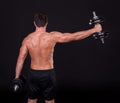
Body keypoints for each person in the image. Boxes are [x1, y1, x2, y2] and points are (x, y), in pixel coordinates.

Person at [15, 12, 102, 103]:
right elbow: (75, 36)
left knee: (31, 100)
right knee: (49, 101)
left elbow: (20, 59)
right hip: (48, 74)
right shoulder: (52, 36)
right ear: (47, 23)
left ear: (34, 23)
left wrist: (17, 77)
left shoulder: (27, 39)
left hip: (33, 74)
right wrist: (94, 30)